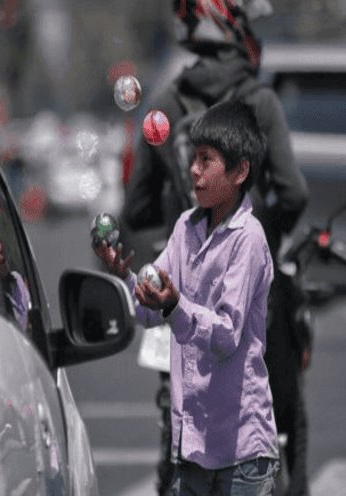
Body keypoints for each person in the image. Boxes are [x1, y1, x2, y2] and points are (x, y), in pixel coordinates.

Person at [121, 1, 310, 494]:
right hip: (242, 307)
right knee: (281, 417)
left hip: (175, 302)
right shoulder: (259, 103)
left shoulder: (163, 102)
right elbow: (293, 192)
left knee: (180, 426)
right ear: (231, 24)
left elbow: (135, 208)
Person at [98, 99, 279, 495]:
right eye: (193, 159)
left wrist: (174, 305)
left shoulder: (247, 240)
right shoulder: (186, 227)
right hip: (192, 448)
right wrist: (127, 278)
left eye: (206, 160)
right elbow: (151, 310)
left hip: (242, 455)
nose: (192, 170)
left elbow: (227, 334)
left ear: (239, 171)